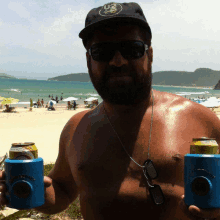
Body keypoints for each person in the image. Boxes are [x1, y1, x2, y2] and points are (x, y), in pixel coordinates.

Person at [1, 2, 220, 220]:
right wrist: (24, 190)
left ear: (149, 55)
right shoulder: (76, 128)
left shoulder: (200, 119)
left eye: (132, 49)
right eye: (102, 51)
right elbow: (62, 190)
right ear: (89, 61)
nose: (117, 61)